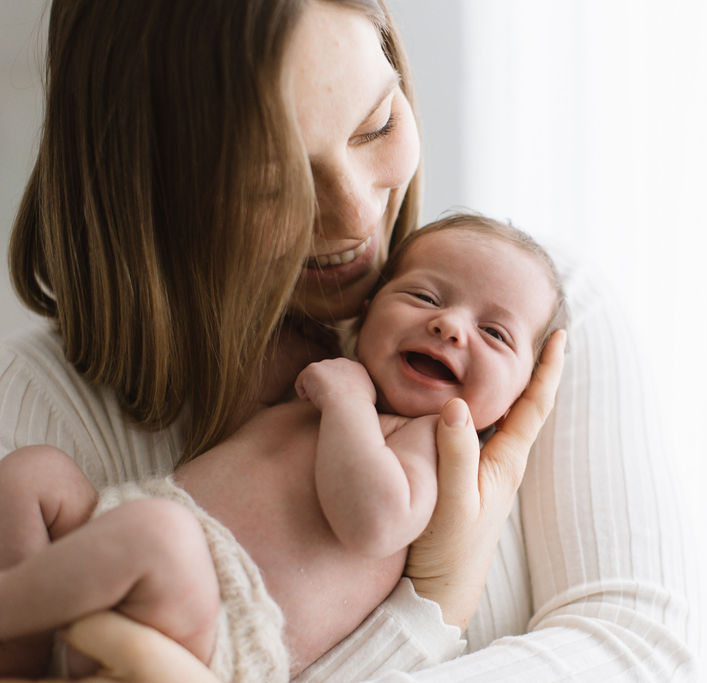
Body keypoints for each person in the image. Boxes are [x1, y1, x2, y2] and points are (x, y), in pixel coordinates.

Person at [0, 0, 692, 681]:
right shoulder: (38, 398)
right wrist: (429, 614)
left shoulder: (542, 315)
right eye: (273, 185)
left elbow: (640, 651)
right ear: (146, 192)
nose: (357, 215)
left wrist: (431, 604)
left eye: (377, 125)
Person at [0, 215, 568, 681]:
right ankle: (19, 659)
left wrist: (347, 401)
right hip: (119, 547)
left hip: (211, 629)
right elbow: (223, 394)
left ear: (520, 396)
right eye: (423, 296)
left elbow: (374, 522)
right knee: (34, 474)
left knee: (159, 534)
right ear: (367, 311)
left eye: (495, 334)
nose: (449, 325)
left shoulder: (428, 439)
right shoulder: (312, 375)